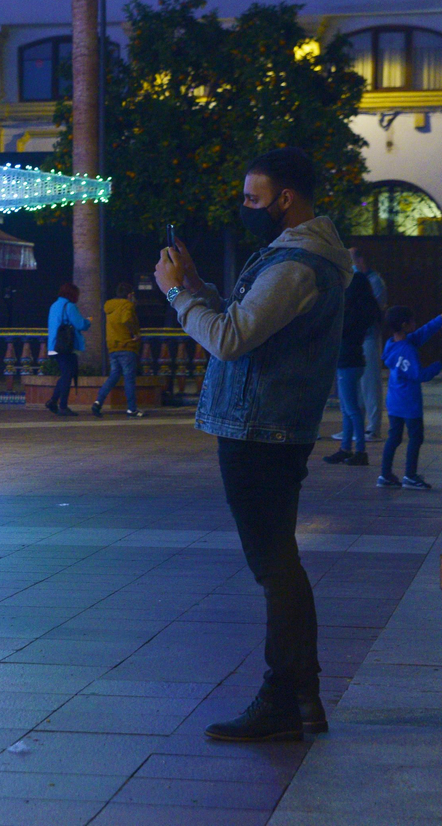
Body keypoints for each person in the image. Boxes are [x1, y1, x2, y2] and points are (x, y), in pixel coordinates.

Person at [155, 147, 350, 742]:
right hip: (266, 425)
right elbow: (247, 321)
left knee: (274, 566)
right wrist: (197, 283)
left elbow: (230, 339)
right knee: (277, 562)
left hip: (260, 429)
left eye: (251, 198)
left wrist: (176, 295)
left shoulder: (297, 264)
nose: (244, 208)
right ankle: (302, 698)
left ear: (285, 198)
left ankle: (283, 699)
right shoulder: (297, 257)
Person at [378, 307, 442, 491]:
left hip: (394, 402)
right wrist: (437, 366)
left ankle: (385, 474)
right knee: (416, 437)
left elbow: (420, 334)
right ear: (404, 325)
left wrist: (439, 320)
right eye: (412, 321)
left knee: (394, 437)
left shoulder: (391, 344)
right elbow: (419, 375)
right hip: (409, 403)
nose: (415, 324)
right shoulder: (408, 349)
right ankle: (410, 475)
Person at [322, 270, 380, 467]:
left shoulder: (351, 312)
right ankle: (346, 448)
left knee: (351, 409)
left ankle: (359, 450)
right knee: (348, 408)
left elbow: (337, 331)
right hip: (354, 362)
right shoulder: (363, 310)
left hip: (346, 363)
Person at [91, 282, 144, 418]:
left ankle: (98, 402)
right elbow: (126, 319)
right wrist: (135, 333)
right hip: (126, 346)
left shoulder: (110, 307)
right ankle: (132, 409)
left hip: (113, 347)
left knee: (114, 375)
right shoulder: (127, 305)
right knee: (129, 379)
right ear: (129, 294)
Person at [350, 248, 387, 439]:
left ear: (359, 260)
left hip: (369, 337)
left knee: (370, 384)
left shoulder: (374, 281)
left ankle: (373, 427)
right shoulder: (358, 281)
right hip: (358, 338)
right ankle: (355, 427)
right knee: (356, 386)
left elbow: (374, 310)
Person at [45, 282, 90, 416]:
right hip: (65, 347)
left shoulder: (54, 305)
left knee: (66, 374)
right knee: (67, 375)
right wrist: (88, 321)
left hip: (54, 345)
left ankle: (53, 401)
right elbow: (80, 324)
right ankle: (62, 406)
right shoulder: (69, 306)